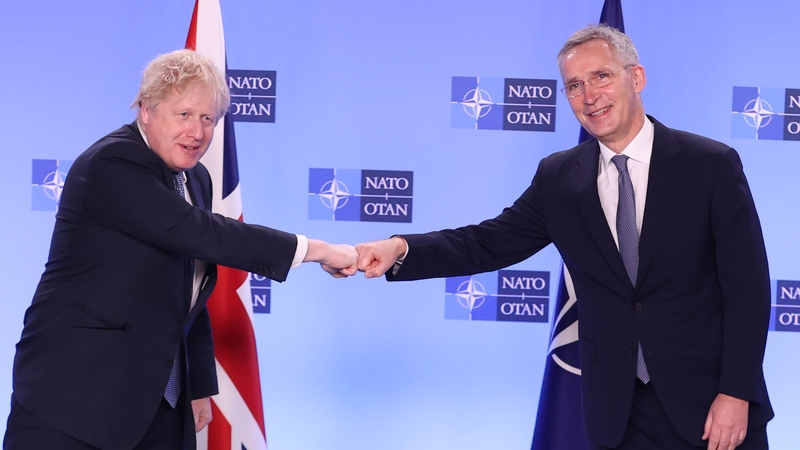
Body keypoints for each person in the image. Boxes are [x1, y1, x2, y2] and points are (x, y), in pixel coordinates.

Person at [355, 25, 773, 450]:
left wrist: (736, 392)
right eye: (574, 85)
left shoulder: (710, 165)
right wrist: (400, 249)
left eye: (601, 76)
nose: (589, 95)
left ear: (637, 77)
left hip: (712, 406)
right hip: (619, 414)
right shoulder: (558, 178)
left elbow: (748, 288)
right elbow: (487, 242)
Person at [3, 49, 357, 450]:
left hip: (157, 400)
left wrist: (198, 383)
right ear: (146, 111)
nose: (197, 132)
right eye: (184, 114)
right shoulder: (113, 163)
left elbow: (187, 286)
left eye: (207, 118)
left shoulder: (196, 178)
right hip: (75, 400)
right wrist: (315, 249)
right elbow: (200, 232)